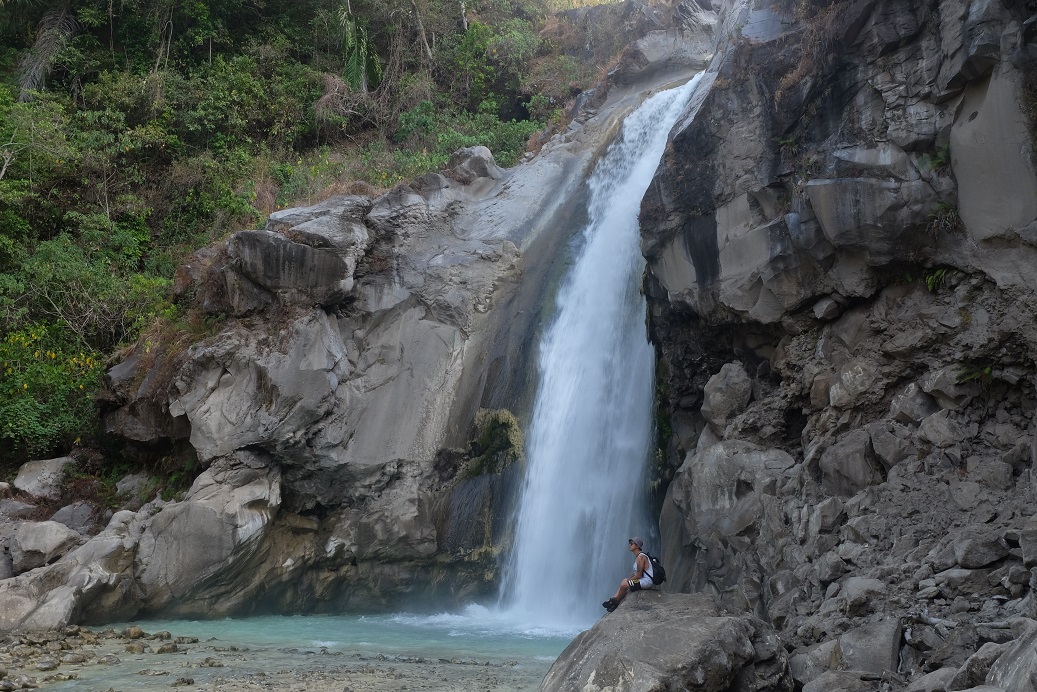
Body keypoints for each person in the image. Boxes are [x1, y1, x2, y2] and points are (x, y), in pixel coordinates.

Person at [602, 537, 654, 612]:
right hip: (642, 580)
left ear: (637, 546)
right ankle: (613, 599)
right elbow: (634, 573)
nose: (629, 545)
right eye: (629, 543)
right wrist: (629, 579)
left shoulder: (641, 557)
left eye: (632, 543)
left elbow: (638, 575)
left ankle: (615, 602)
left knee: (624, 584)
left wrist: (629, 581)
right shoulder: (638, 557)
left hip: (647, 582)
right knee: (624, 581)